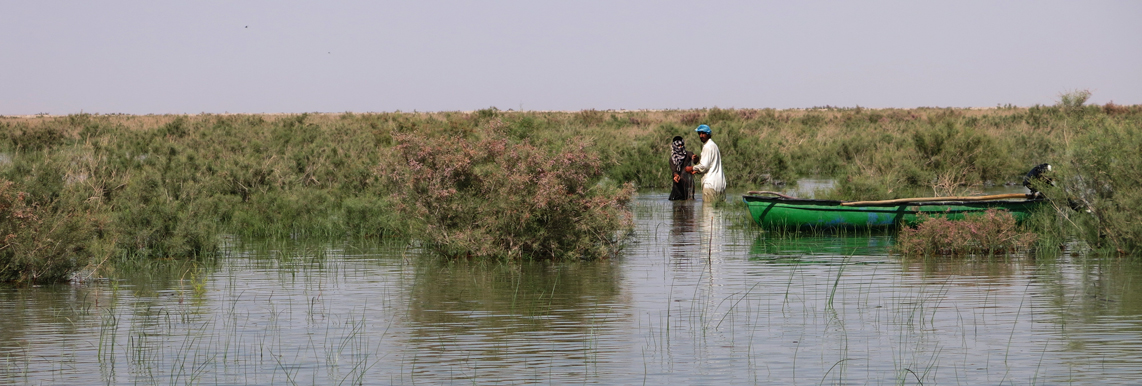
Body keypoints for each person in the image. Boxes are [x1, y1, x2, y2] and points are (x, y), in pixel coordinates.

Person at [684, 124, 726, 204]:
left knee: (708, 212)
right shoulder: (714, 145)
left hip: (710, 184)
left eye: (703, 133)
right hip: (720, 184)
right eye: (699, 133)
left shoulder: (707, 146)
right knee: (719, 211)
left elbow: (704, 166)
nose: (701, 135)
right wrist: (697, 171)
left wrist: (692, 168)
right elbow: (710, 165)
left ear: (709, 134)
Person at [669, 136, 695, 200]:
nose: (680, 147)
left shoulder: (688, 154)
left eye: (681, 145)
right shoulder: (672, 159)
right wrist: (676, 176)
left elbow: (694, 160)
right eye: (678, 145)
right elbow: (674, 171)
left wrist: (695, 158)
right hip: (677, 186)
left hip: (688, 185)